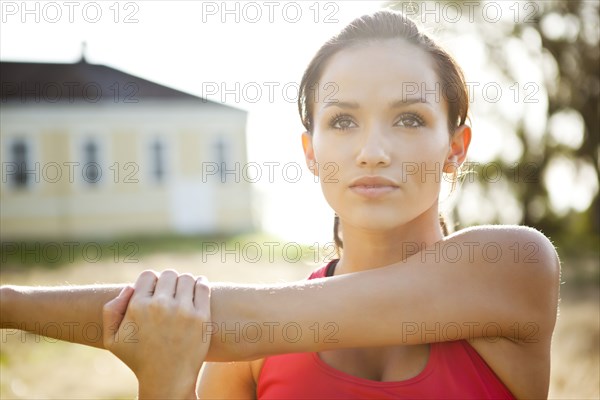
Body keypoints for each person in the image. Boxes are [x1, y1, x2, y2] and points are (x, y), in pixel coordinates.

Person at [1, 11, 560, 399]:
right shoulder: (251, 353)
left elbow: (227, 320)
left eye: (409, 119)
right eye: (343, 120)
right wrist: (165, 386)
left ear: (455, 149)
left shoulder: (512, 267)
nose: (372, 152)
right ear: (311, 152)